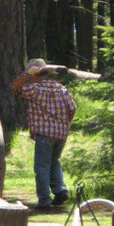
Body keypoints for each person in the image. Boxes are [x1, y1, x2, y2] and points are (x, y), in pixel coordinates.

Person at [10, 57, 76, 210]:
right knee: (54, 162)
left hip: (44, 134)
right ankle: (60, 190)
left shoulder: (34, 89)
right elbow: (72, 109)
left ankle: (44, 201)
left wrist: (26, 75)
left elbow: (14, 88)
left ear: (34, 75)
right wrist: (65, 123)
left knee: (42, 167)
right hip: (61, 133)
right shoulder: (61, 88)